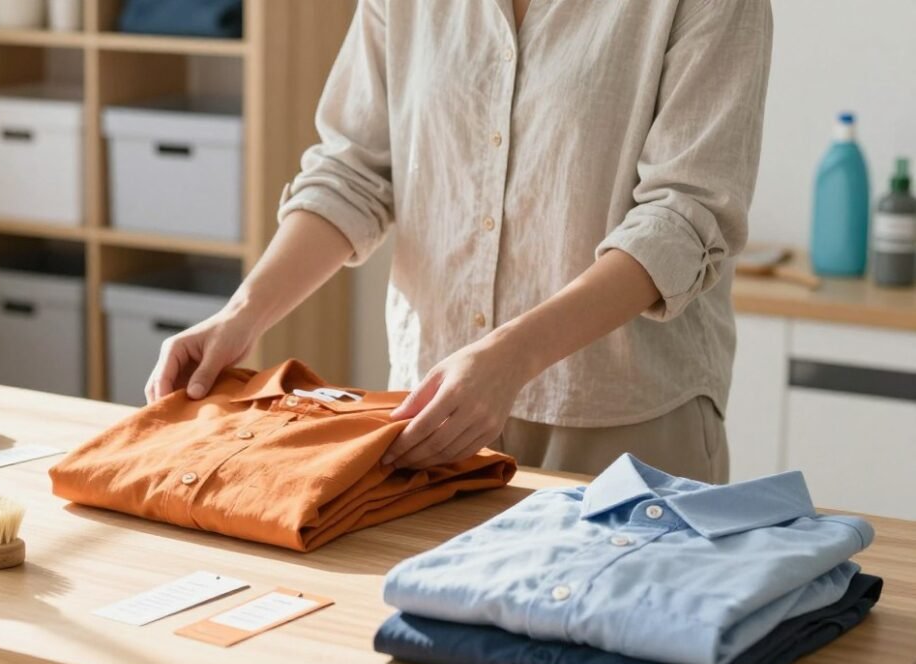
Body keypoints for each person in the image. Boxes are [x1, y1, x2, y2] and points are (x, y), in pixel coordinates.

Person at [145, 0, 773, 483]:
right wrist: (242, 313)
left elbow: (683, 216)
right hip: (432, 411)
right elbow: (355, 170)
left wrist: (509, 356)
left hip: (621, 414)